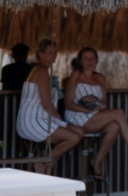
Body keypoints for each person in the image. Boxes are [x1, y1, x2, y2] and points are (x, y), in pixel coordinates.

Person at [64, 47, 128, 180]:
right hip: (77, 116)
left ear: (97, 60)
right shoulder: (76, 75)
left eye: (92, 58)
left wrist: (94, 100)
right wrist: (87, 110)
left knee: (114, 126)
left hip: (94, 116)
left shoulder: (100, 78)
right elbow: (68, 104)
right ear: (80, 61)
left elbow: (104, 104)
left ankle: (97, 161)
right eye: (86, 59)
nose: (90, 61)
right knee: (119, 113)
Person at [16, 39, 84, 175]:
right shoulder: (40, 71)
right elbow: (46, 104)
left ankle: (49, 162)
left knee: (80, 132)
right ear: (40, 54)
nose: (54, 55)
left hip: (42, 118)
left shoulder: (44, 71)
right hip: (32, 121)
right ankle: (43, 162)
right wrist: (59, 118)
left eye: (55, 52)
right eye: (50, 52)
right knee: (73, 137)